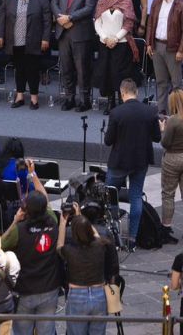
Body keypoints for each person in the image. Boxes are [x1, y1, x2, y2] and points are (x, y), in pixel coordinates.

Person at [104, 78, 161, 250]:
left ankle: (111, 234)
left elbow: (108, 141)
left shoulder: (116, 113)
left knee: (109, 196)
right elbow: (157, 137)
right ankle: (132, 239)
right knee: (136, 197)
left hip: (119, 162)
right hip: (140, 161)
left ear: (122, 93)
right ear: (136, 92)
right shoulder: (150, 112)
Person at [1, 188, 61, 335]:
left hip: (25, 289)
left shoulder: (19, 230)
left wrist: (15, 220)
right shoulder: (53, 222)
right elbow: (45, 199)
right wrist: (33, 174)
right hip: (49, 287)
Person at [0, 0, 52, 109]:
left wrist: (45, 38)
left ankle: (34, 98)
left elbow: (47, 20)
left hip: (34, 40)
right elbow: (1, 16)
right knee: (19, 69)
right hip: (14, 40)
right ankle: (19, 96)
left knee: (32, 70)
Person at [51, 0, 99, 112]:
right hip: (63, 32)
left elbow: (89, 8)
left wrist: (70, 17)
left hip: (80, 33)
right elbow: (54, 2)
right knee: (66, 68)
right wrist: (61, 18)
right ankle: (69, 98)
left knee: (82, 69)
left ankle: (84, 101)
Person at [57, 210, 109, 335]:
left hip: (77, 295)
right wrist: (80, 215)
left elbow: (59, 246)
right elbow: (96, 235)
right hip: (99, 294)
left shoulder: (69, 251)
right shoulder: (100, 246)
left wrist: (63, 223)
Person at [93, 0, 138, 113]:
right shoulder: (101, 1)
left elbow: (128, 23)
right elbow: (97, 22)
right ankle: (110, 103)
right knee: (106, 73)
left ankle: (122, 102)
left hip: (121, 44)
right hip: (104, 43)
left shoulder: (126, 1)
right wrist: (105, 38)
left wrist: (116, 38)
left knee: (119, 74)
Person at [146, 0, 183, 114]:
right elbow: (150, 24)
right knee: (161, 82)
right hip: (157, 46)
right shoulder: (156, 1)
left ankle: (177, 113)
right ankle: (161, 112)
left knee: (176, 84)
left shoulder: (180, 4)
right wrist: (149, 43)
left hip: (173, 48)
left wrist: (181, 50)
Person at [161, 88, 183, 235]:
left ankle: (166, 227)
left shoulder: (173, 121)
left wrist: (163, 129)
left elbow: (165, 143)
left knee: (168, 194)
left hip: (172, 159)